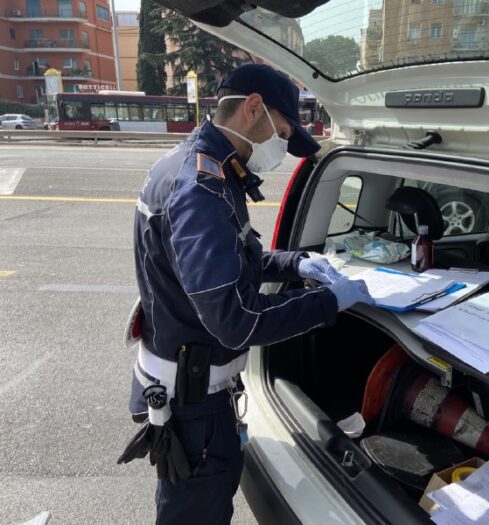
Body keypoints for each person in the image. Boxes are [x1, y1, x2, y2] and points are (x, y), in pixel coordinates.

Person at [117, 64, 374, 524]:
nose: (281, 148)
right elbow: (236, 320)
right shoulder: (201, 190)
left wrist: (294, 262)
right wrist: (328, 304)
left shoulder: (195, 165)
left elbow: (235, 258)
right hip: (194, 407)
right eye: (282, 132)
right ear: (253, 108)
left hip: (184, 388)